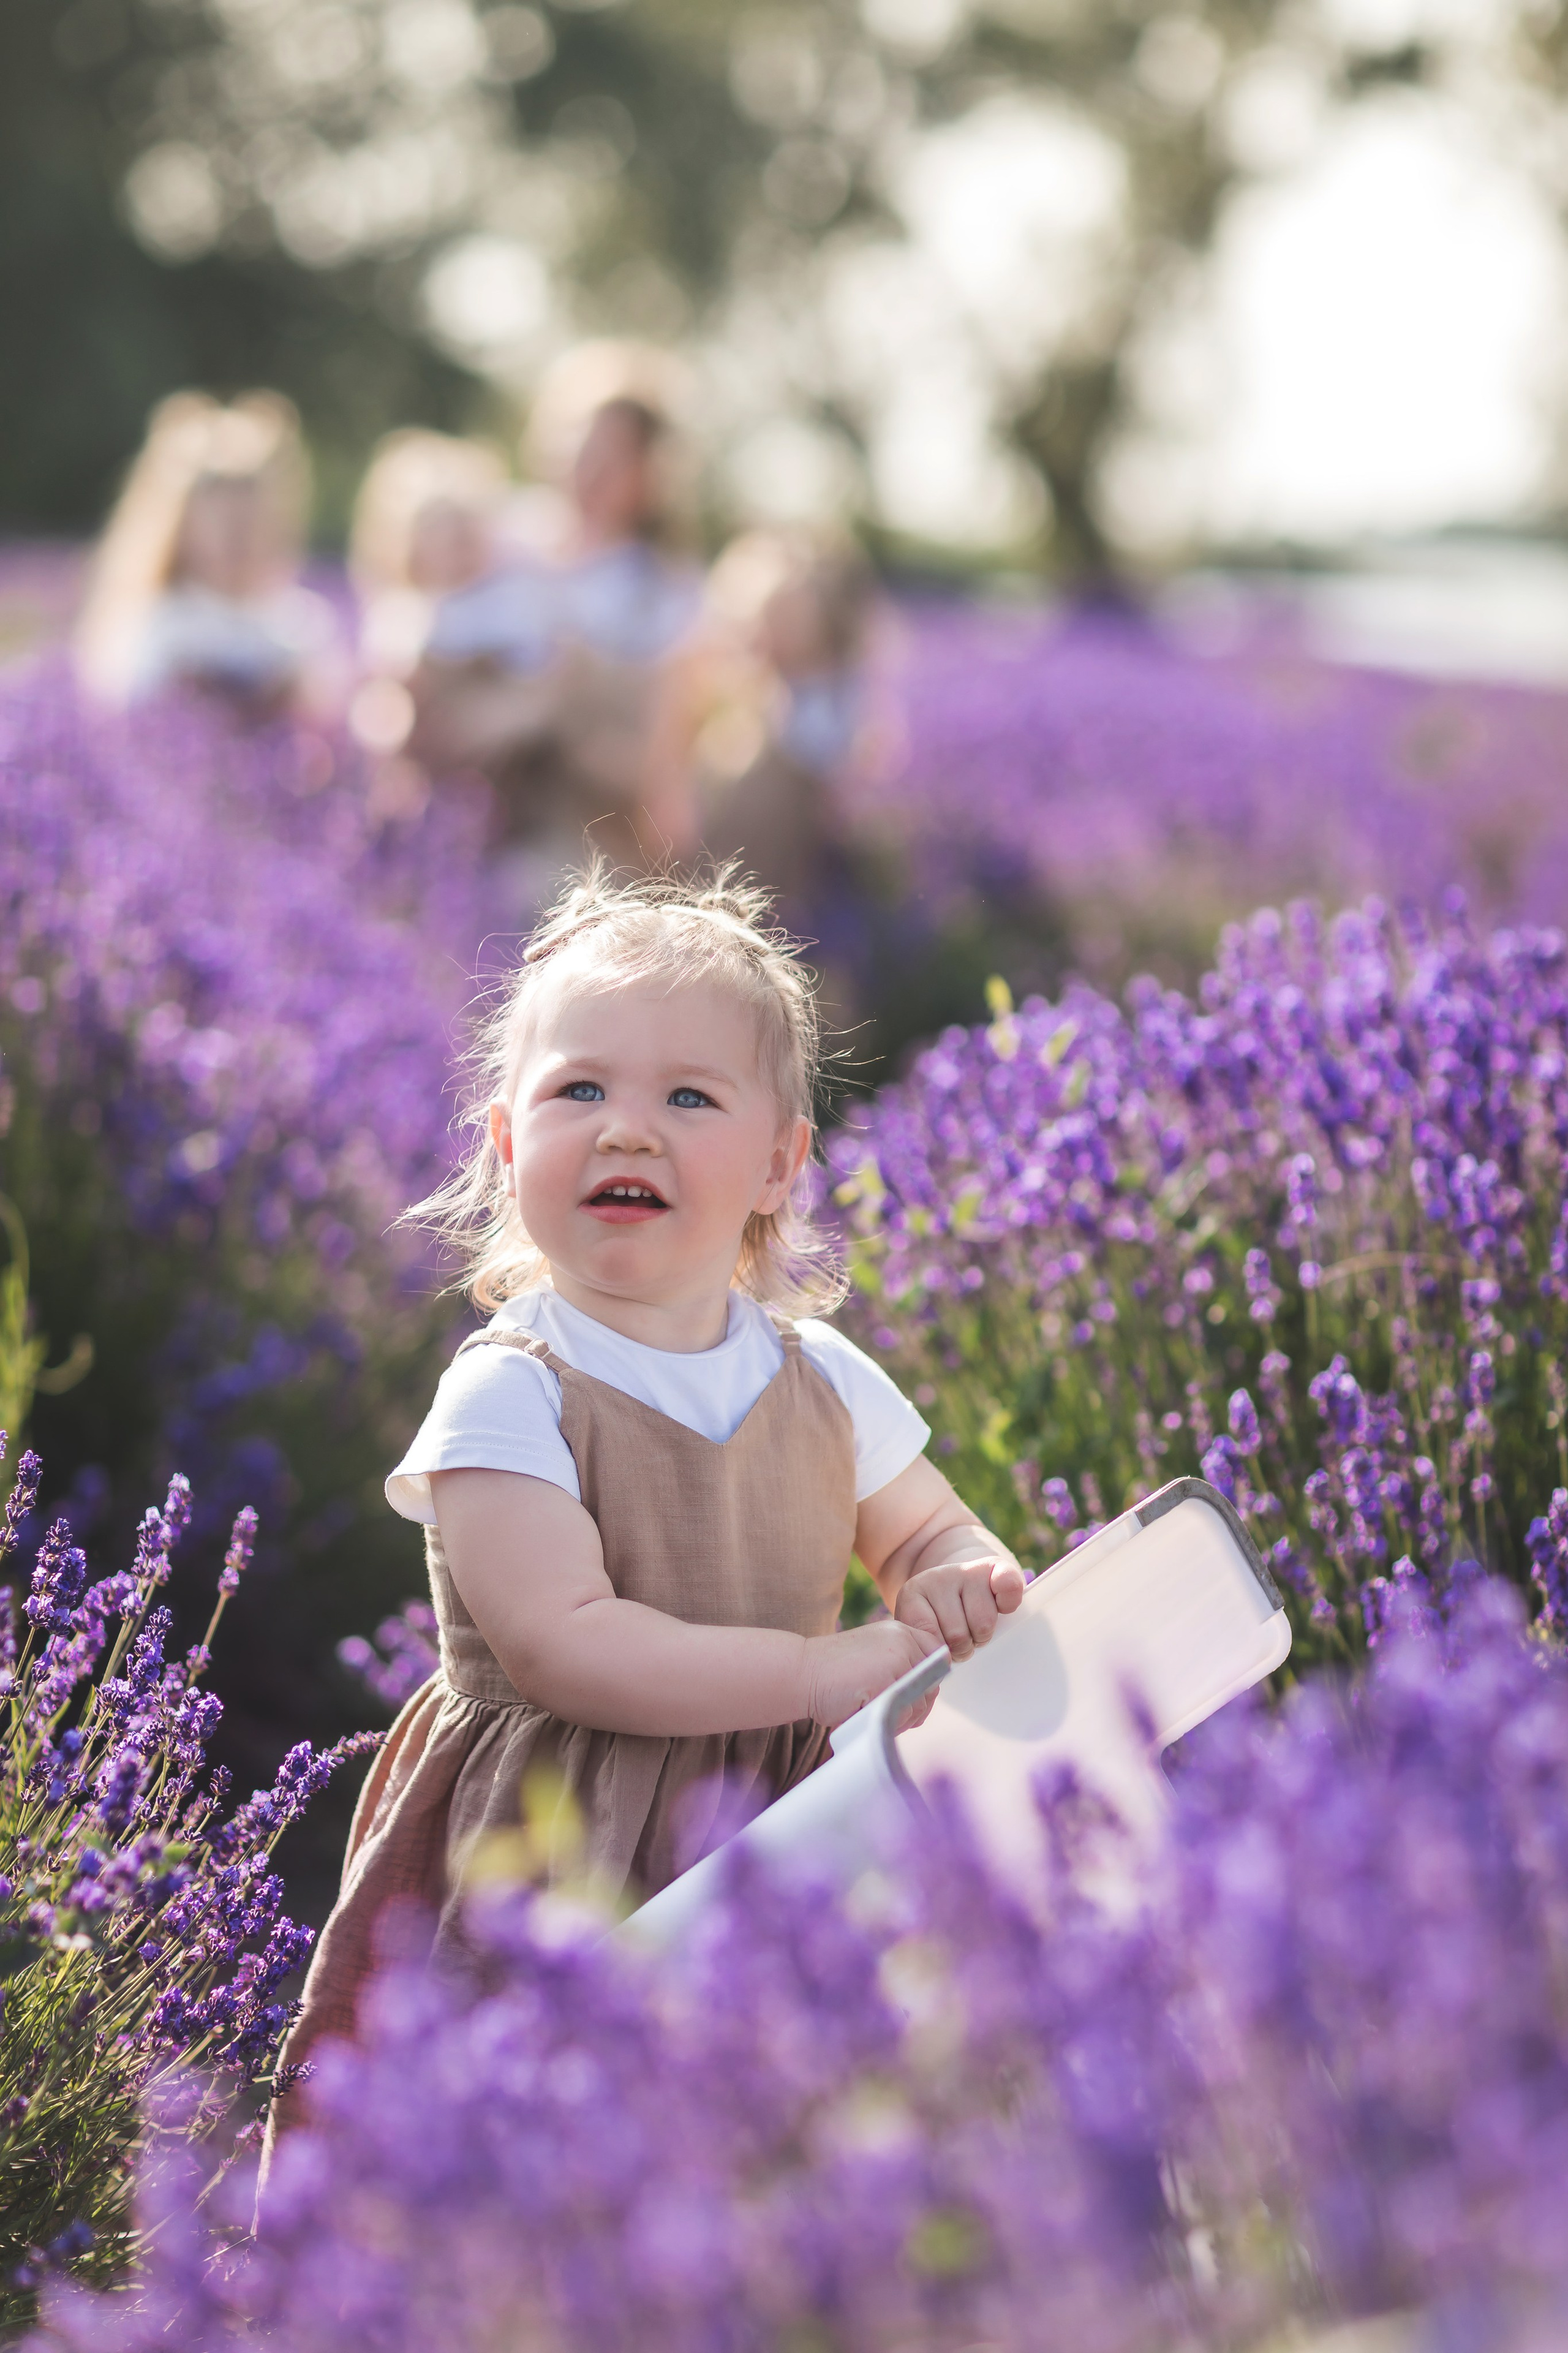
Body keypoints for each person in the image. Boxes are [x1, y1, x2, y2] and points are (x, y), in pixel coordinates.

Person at [272, 864, 1024, 2128]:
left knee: (771, 2134)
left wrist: (955, 1573)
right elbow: (564, 1646)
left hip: (779, 1825)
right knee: (521, 2138)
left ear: (779, 1164)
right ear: (507, 1143)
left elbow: (929, 1529)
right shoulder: (512, 1388)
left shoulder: (825, 1380)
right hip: (554, 1846)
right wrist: (814, 1673)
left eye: (687, 1095)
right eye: (580, 1090)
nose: (627, 1129)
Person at [410, 346, 704, 901]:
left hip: (581, 827)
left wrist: (545, 710)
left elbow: (656, 768)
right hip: (468, 789)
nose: (592, 470)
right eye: (581, 446)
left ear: (650, 474)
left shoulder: (661, 594)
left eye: (615, 457)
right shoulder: (504, 536)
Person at [74, 391, 338, 713]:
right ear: (178, 524)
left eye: (251, 512)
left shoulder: (299, 628)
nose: (238, 532)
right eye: (219, 516)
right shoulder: (155, 628)